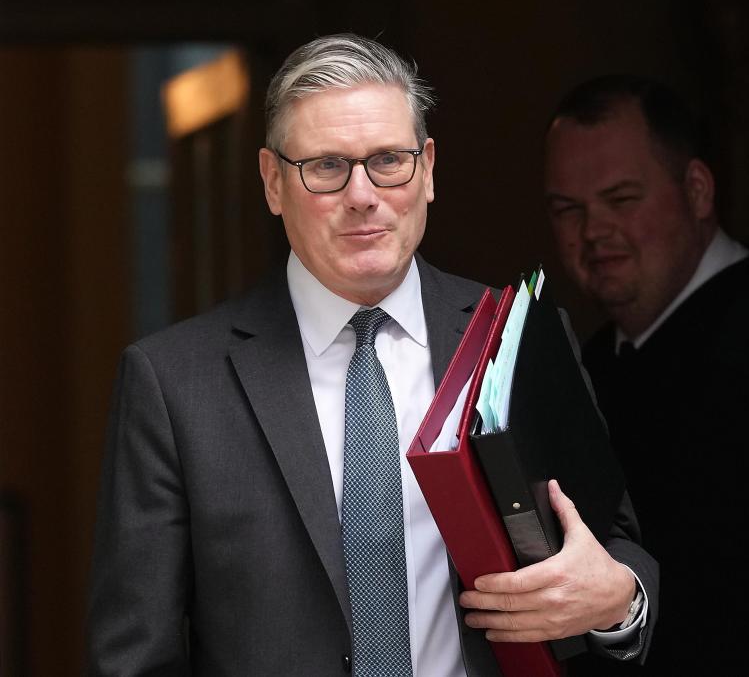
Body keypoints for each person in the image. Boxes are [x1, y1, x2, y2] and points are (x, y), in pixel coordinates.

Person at [87, 35, 658, 676]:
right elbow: (135, 658)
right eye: (327, 166)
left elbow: (614, 549)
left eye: (388, 159)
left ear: (428, 169)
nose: (362, 194)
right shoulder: (174, 384)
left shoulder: (517, 337)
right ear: (273, 182)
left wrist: (621, 601)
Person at [544, 75, 749, 674]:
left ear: (696, 190)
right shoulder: (585, 366)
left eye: (621, 199)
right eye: (569, 209)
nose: (593, 231)